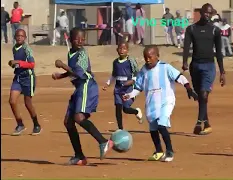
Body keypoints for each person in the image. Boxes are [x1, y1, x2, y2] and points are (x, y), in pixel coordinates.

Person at [122, 46, 198, 162]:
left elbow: (179, 77)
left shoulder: (165, 67)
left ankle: (169, 151)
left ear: (157, 56)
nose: (147, 59)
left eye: (150, 57)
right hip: (151, 102)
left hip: (166, 101)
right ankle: (158, 151)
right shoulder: (143, 70)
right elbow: (138, 87)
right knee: (153, 128)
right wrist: (130, 95)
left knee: (162, 125)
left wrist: (189, 89)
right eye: (145, 57)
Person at [52, 27, 113, 165]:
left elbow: (79, 73)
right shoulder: (71, 53)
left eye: (83, 39)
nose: (80, 41)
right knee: (68, 122)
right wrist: (60, 76)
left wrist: (62, 65)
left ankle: (104, 142)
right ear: (70, 39)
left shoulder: (82, 54)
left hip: (87, 85)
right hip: (79, 88)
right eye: (77, 38)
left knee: (79, 117)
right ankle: (79, 156)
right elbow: (72, 71)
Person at [183, 3, 226, 135]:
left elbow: (219, 52)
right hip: (195, 66)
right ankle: (207, 123)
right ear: (201, 13)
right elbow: (186, 47)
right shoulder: (191, 29)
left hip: (209, 66)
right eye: (205, 12)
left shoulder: (215, 31)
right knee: (201, 97)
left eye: (210, 13)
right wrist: (184, 61)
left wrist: (222, 71)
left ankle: (198, 122)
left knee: (203, 94)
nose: (207, 15)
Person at [8, 29, 41, 136]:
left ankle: (36, 125)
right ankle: (20, 124)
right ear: (15, 37)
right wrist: (13, 64)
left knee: (28, 103)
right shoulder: (14, 48)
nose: (19, 37)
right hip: (18, 77)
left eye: (22, 36)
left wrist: (18, 62)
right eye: (17, 36)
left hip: (28, 78)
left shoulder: (27, 49)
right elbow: (18, 63)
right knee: (12, 101)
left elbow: (31, 64)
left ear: (25, 38)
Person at [103, 42, 143, 130]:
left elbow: (137, 74)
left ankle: (136, 111)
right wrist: (108, 83)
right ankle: (120, 129)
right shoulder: (115, 62)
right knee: (118, 108)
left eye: (124, 49)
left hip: (128, 89)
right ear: (117, 50)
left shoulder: (131, 61)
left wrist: (132, 81)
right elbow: (114, 75)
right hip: (118, 89)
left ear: (127, 51)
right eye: (120, 48)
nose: (122, 50)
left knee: (126, 109)